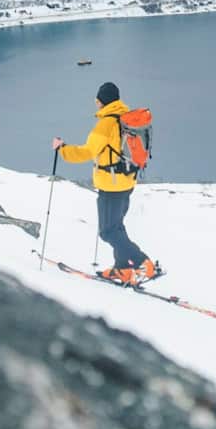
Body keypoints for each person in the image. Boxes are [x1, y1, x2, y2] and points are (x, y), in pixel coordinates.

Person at [52, 82, 158, 286]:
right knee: (116, 227)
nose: (96, 104)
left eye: (97, 100)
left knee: (108, 232)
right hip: (127, 181)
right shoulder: (125, 118)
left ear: (102, 101)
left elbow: (86, 152)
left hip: (111, 185)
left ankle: (143, 262)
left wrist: (62, 148)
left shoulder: (106, 124)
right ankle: (123, 269)